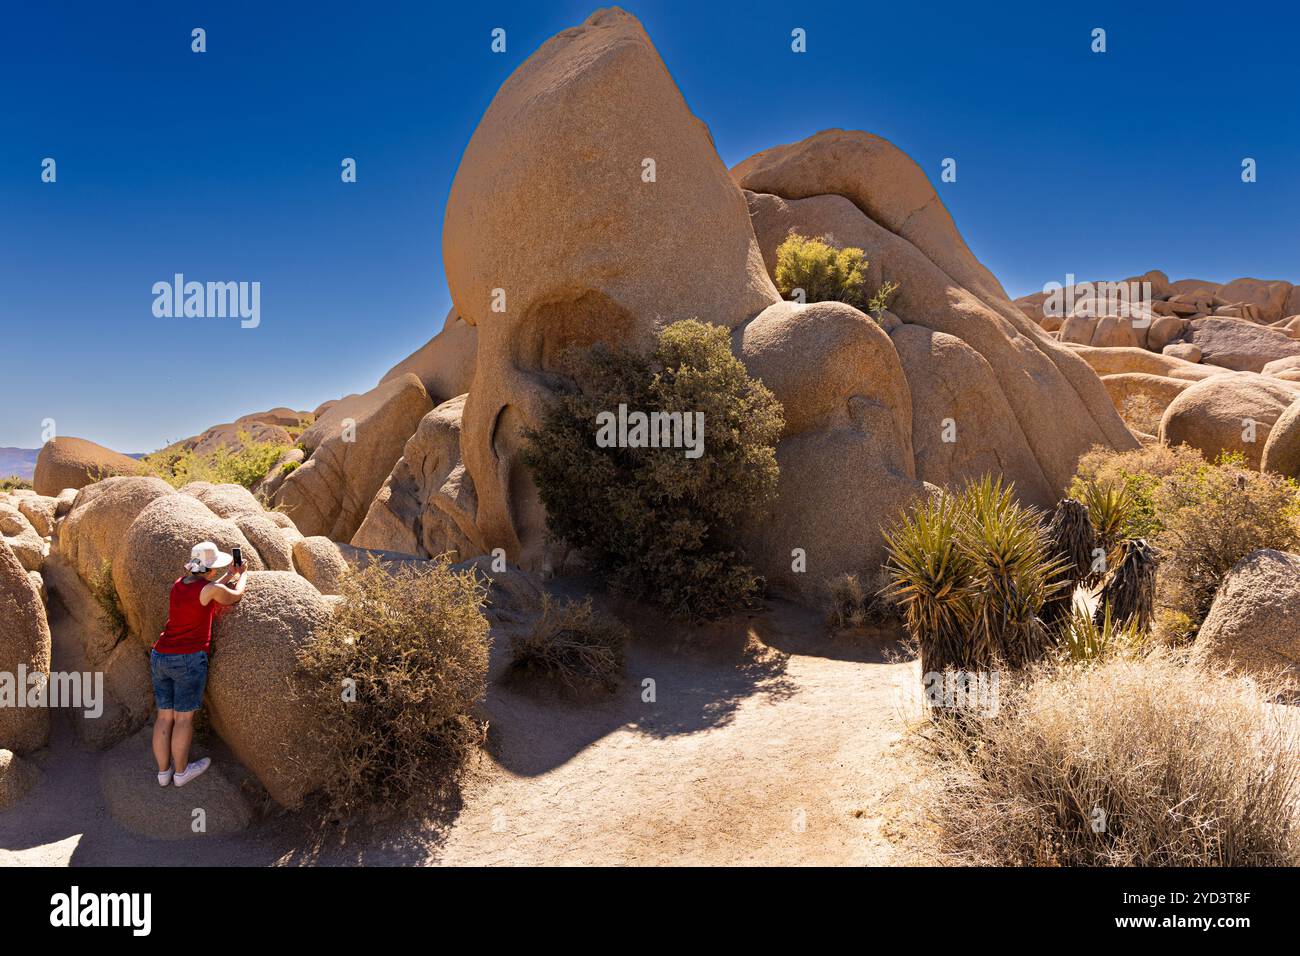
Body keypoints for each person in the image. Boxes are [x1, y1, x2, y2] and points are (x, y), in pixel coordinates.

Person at [151, 541, 246, 786]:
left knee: (164, 718)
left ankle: (164, 773)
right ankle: (181, 773)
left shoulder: (178, 585)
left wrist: (228, 575)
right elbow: (235, 596)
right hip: (188, 659)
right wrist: (241, 576)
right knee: (183, 720)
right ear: (210, 570)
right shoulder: (210, 590)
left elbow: (208, 590)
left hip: (161, 655)